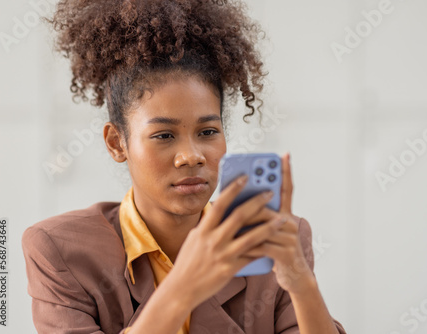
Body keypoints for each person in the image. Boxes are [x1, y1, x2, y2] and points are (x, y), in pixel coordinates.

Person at [22, 0, 346, 333]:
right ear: (117, 143)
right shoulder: (58, 250)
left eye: (207, 132)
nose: (191, 156)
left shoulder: (272, 240)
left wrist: (301, 284)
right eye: (164, 135)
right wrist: (184, 285)